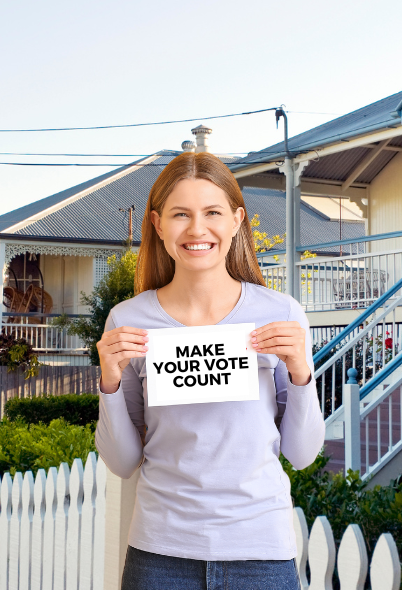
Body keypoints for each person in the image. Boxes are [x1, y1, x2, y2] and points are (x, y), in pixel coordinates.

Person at [94, 151, 325, 590]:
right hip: (160, 553)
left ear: (237, 220)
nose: (197, 229)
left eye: (212, 212)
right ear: (159, 225)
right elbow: (123, 462)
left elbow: (302, 453)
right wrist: (108, 382)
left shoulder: (281, 314)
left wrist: (300, 374)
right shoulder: (127, 320)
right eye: (181, 214)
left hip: (262, 553)